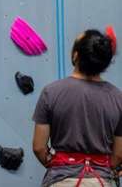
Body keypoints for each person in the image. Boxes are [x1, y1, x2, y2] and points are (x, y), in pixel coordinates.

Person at [32, 29, 122, 187]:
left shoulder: (51, 92)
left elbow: (39, 147)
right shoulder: (117, 98)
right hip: (101, 181)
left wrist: (60, 166)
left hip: (61, 180)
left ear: (76, 55)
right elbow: (118, 155)